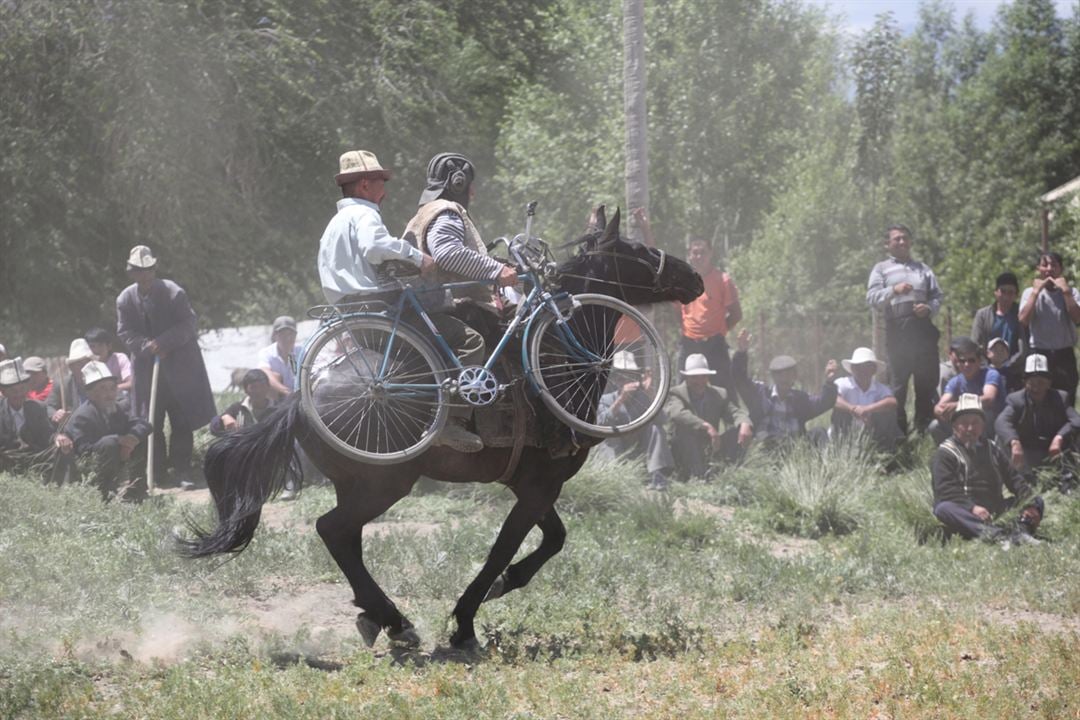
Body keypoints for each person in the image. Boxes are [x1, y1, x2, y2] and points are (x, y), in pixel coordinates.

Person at [403, 152, 519, 452]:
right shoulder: (446, 211)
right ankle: (453, 422)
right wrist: (497, 270)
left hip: (422, 305)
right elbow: (448, 253)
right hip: (433, 307)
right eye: (470, 185)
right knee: (473, 342)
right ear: (458, 183)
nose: (473, 193)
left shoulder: (423, 213)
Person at [116, 245, 216, 490]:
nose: (145, 275)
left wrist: (165, 342)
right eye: (139, 270)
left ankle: (182, 469)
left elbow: (188, 323)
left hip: (179, 368)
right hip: (147, 371)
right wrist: (146, 346)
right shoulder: (125, 298)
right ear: (132, 272)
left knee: (181, 420)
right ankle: (158, 471)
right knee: (151, 421)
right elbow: (124, 331)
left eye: (148, 269)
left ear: (154, 268)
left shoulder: (173, 292)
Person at [932, 393, 1043, 544]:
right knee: (943, 509)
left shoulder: (992, 448)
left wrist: (1030, 504)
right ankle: (1000, 536)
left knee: (1036, 500)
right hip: (966, 510)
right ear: (954, 425)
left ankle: (1021, 532)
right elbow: (944, 489)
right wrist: (972, 508)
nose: (970, 428)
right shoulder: (945, 452)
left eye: (975, 422)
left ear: (983, 426)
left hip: (994, 508)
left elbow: (1014, 478)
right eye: (964, 422)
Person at [866, 224, 943, 434]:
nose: (902, 242)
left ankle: (924, 433)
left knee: (926, 385)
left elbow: (937, 296)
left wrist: (928, 308)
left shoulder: (923, 269)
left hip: (923, 334)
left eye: (905, 238)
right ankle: (898, 436)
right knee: (898, 388)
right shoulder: (881, 269)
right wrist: (893, 290)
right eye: (897, 239)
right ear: (887, 244)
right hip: (898, 336)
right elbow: (872, 298)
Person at [52, 361, 152, 502]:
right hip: (87, 468)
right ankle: (105, 495)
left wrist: (130, 440)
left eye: (112, 388)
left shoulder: (118, 408)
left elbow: (143, 424)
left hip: (115, 456)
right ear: (90, 393)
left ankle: (137, 491)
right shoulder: (82, 416)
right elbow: (83, 449)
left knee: (138, 437)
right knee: (109, 443)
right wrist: (117, 439)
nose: (109, 394)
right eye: (103, 389)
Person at [732, 329, 838, 445]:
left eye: (788, 374)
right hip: (768, 447)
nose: (784, 378)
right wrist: (742, 352)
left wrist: (829, 381)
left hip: (795, 447)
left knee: (819, 432)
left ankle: (826, 462)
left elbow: (824, 402)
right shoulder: (759, 393)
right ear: (773, 376)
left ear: (794, 377)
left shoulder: (800, 399)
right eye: (780, 374)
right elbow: (739, 378)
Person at [665, 353, 752, 481]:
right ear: (687, 377)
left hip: (711, 446)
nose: (699, 382)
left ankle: (729, 473)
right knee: (685, 432)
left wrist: (744, 424)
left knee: (739, 432)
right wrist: (706, 426)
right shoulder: (676, 393)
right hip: (684, 450)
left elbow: (735, 412)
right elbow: (678, 414)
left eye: (703, 376)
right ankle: (697, 477)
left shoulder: (719, 394)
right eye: (694, 377)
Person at [995, 353, 1080, 485]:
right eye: (1031, 382)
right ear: (1024, 382)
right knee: (1001, 438)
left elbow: (1076, 420)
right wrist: (1014, 442)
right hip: (1026, 454)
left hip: (1054, 453)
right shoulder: (1016, 399)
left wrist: (1059, 437)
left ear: (1049, 383)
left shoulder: (1060, 397)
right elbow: (1001, 422)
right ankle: (1016, 477)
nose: (1036, 387)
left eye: (1041, 382)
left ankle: (1068, 475)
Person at [595, 351, 674, 490]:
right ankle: (614, 476)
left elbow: (662, 420)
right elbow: (600, 424)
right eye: (622, 377)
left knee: (655, 429)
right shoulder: (606, 399)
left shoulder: (643, 398)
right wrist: (620, 401)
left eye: (630, 376)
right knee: (608, 434)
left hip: (638, 449)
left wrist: (651, 396)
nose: (626, 381)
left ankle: (656, 474)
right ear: (616, 380)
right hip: (616, 451)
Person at [678, 237, 741, 393]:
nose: (699, 257)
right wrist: (689, 329)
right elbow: (676, 311)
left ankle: (734, 418)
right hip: (689, 343)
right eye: (695, 253)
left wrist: (720, 331)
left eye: (703, 253)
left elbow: (736, 314)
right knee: (682, 392)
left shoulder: (723, 280)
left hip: (715, 344)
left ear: (710, 254)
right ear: (690, 255)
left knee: (725, 391)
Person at [1018, 252, 1080, 407]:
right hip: (1039, 352)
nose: (1049, 269)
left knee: (1066, 398)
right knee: (1039, 398)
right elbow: (1023, 320)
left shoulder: (1072, 292)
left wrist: (1065, 292)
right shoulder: (1029, 293)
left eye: (1054, 265)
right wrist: (1035, 292)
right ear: (1039, 268)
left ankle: (1067, 431)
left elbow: (1077, 318)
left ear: (1061, 269)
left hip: (1064, 353)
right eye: (1045, 265)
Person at [930, 336, 1005, 444]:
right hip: (967, 426)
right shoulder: (955, 381)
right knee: (935, 426)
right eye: (962, 361)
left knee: (983, 413)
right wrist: (940, 410)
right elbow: (940, 406)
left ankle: (986, 452)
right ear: (957, 363)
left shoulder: (990, 374)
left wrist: (958, 405)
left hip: (991, 427)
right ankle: (955, 454)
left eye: (971, 360)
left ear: (979, 361)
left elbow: (989, 398)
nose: (966, 364)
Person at [831, 347, 900, 452]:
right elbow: (832, 399)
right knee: (840, 413)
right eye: (859, 367)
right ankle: (839, 448)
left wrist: (867, 410)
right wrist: (852, 409)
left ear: (873, 370)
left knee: (888, 415)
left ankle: (883, 451)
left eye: (867, 367)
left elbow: (892, 402)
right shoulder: (843, 383)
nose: (863, 371)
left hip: (870, 432)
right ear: (853, 369)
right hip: (844, 434)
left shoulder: (880, 388)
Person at [0, 358, 54, 472]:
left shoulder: (38, 408)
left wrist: (59, 437)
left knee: (61, 450)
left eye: (22, 389)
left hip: (35, 457)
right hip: (6, 460)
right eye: (14, 391)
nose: (19, 394)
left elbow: (48, 434)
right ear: (4, 392)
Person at [971, 272, 1024, 386]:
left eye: (1010, 292)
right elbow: (976, 344)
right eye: (1002, 291)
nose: (1006, 296)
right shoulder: (983, 315)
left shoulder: (1021, 314)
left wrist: (1007, 365)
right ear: (996, 292)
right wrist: (989, 366)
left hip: (1014, 371)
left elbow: (1023, 348)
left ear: (1016, 295)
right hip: (987, 370)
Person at [210, 369, 277, 436]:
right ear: (245, 390)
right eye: (253, 387)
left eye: (262, 386)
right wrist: (224, 419)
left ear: (268, 387)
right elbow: (213, 428)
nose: (258, 391)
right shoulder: (237, 408)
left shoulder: (278, 408)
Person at [46, 338, 95, 426]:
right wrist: (56, 414)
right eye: (80, 364)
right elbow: (48, 406)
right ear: (71, 367)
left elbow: (120, 400)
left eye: (87, 362)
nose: (85, 367)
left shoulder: (102, 381)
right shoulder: (62, 385)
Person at [258, 316, 300, 399]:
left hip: (300, 396)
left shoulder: (303, 352)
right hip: (279, 396)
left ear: (295, 335)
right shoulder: (266, 353)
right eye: (283, 334)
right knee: (271, 377)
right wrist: (286, 392)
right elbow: (265, 372)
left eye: (291, 334)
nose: (288, 338)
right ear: (275, 336)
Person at [85, 327, 133, 396]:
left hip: (119, 400)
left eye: (100, 345)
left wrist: (110, 390)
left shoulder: (120, 358)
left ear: (109, 346)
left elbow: (131, 383)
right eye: (92, 346)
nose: (96, 349)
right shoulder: (88, 364)